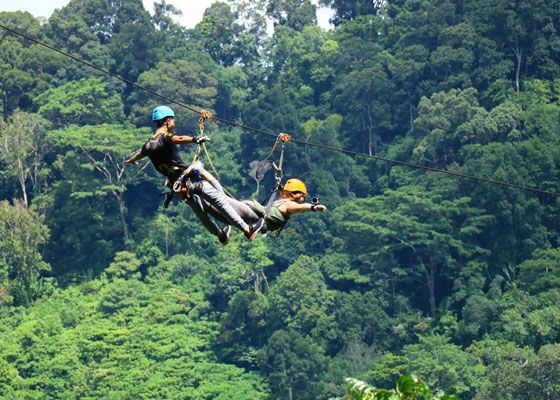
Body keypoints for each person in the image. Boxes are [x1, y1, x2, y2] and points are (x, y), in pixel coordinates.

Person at [124, 105, 264, 243]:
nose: (174, 123)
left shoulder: (148, 144)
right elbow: (178, 139)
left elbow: (139, 154)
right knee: (220, 201)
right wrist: (194, 139)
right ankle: (247, 229)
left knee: (201, 213)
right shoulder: (165, 137)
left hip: (176, 187)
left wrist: (132, 160)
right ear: (167, 121)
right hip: (190, 181)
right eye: (172, 120)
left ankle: (220, 234)